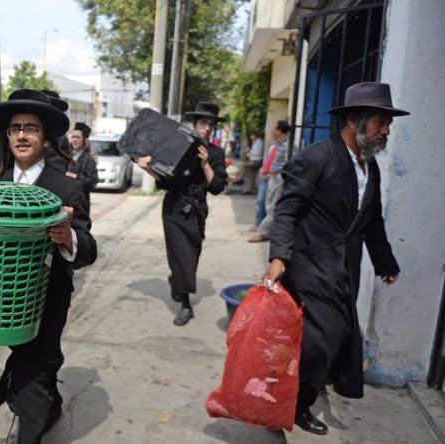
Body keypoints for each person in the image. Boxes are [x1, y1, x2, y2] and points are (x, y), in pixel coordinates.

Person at [263, 82, 407, 435]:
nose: (386, 130)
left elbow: (372, 221)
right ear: (354, 120)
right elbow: (287, 212)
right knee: (326, 335)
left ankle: (281, 397)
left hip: (344, 270)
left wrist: (385, 262)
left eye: (388, 123)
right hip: (310, 266)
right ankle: (294, 406)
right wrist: (280, 257)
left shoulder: (369, 168)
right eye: (380, 122)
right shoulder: (315, 159)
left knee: (323, 339)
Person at [0, 89, 97, 443]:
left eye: (31, 128)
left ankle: (27, 434)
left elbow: (88, 248)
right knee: (35, 360)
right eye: (15, 129)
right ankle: (51, 403)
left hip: (49, 296)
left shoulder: (65, 188)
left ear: (45, 138)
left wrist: (66, 237)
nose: (21, 136)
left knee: (35, 364)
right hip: (4, 300)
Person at [135, 102, 228, 326]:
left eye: (210, 124)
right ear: (195, 124)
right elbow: (166, 181)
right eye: (202, 123)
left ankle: (176, 280)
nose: (206, 128)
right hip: (174, 208)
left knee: (193, 255)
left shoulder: (216, 153)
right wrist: (146, 168)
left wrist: (206, 164)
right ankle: (186, 306)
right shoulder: (178, 147)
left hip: (197, 210)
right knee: (180, 255)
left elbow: (217, 187)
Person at [248, 120, 290, 241]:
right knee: (265, 204)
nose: (272, 131)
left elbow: (288, 164)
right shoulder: (275, 144)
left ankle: (262, 233)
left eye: (274, 129)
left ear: (279, 131)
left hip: (276, 178)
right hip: (269, 177)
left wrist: (272, 172)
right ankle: (262, 227)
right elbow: (269, 160)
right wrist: (264, 169)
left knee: (272, 207)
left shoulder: (288, 146)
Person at [67, 122, 99, 214]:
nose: (74, 140)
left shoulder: (88, 159)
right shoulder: (65, 155)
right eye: (73, 137)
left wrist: (76, 177)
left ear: (85, 140)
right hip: (65, 202)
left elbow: (93, 182)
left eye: (78, 137)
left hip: (80, 204)